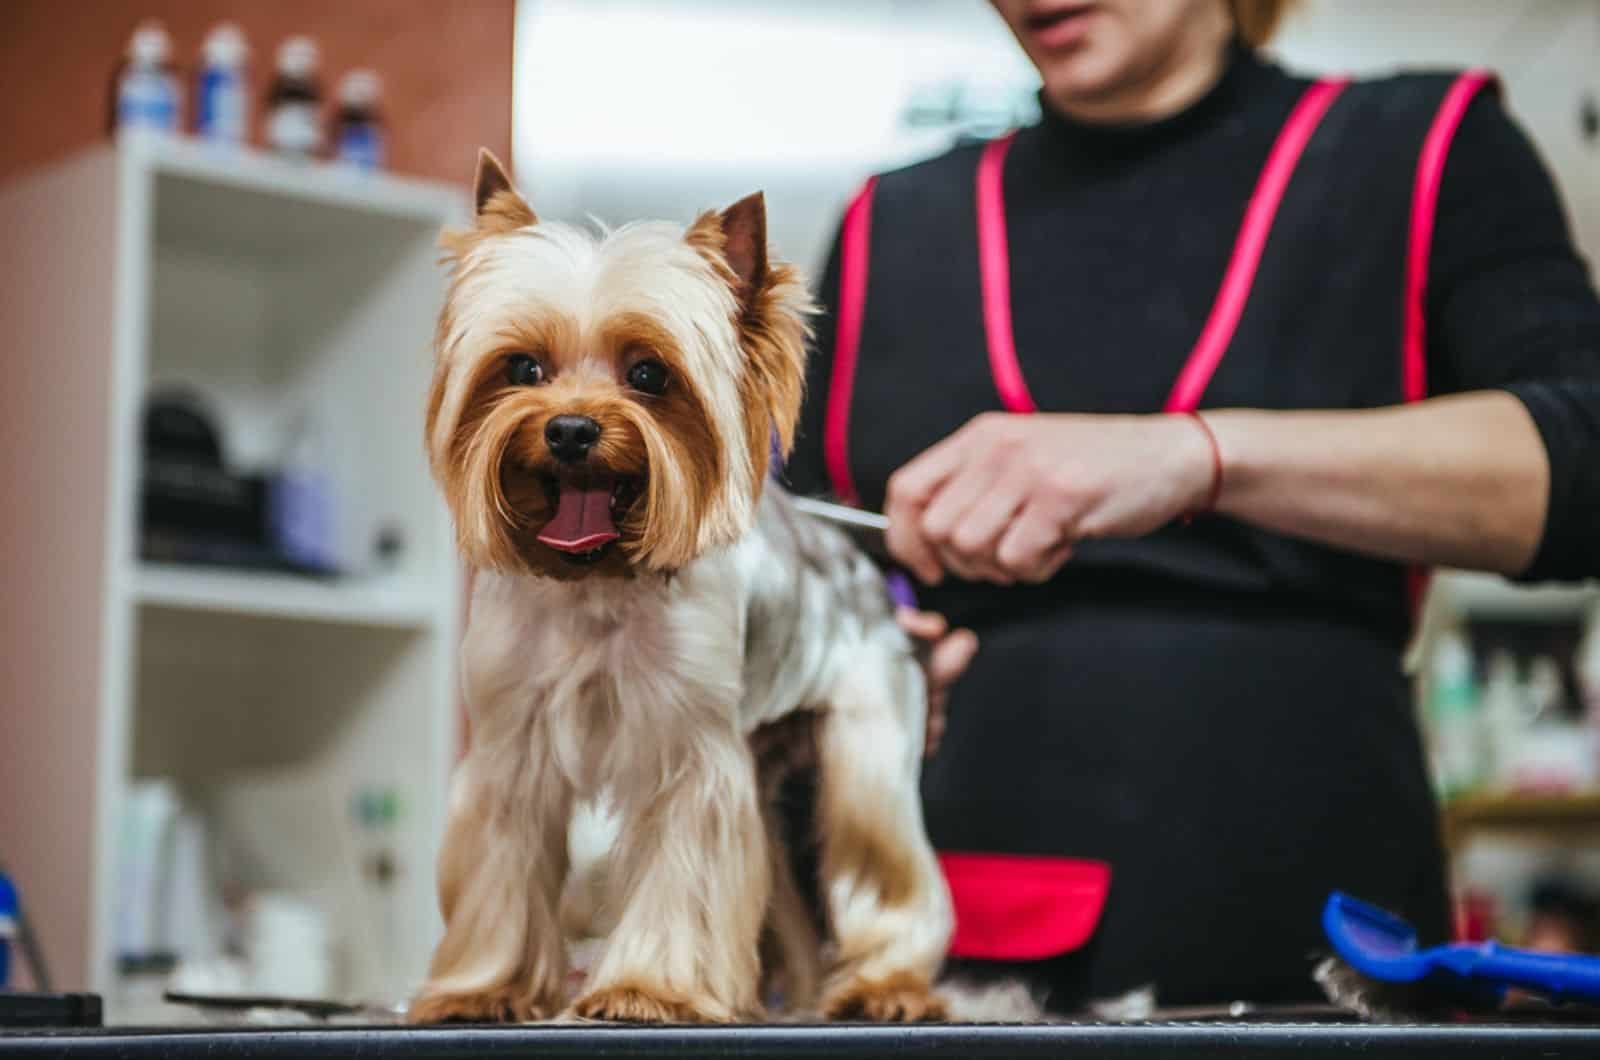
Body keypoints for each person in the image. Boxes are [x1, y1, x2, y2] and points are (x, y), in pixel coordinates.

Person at [781, 0, 1600, 1008]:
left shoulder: (1422, 147)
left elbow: (1580, 467)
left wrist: (1195, 455)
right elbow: (800, 569)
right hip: (956, 933)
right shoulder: (892, 223)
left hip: (1321, 925)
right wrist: (869, 653)